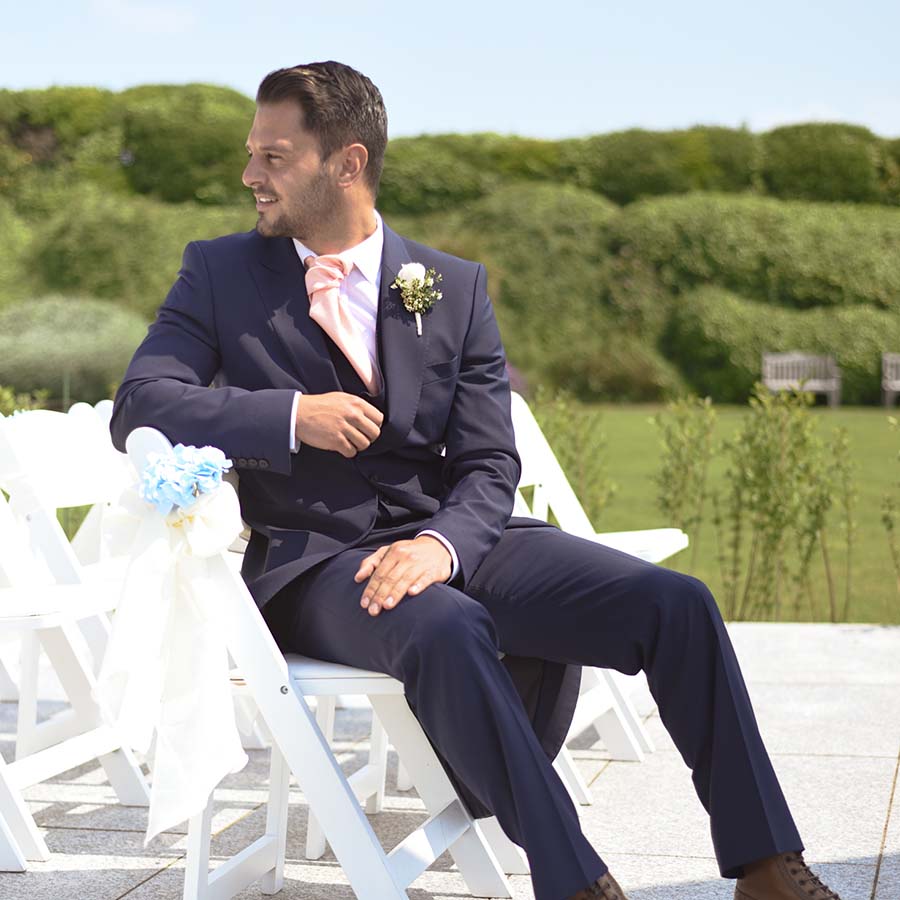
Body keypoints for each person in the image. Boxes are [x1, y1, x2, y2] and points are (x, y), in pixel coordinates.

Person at [110, 61, 842, 900]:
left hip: (454, 535)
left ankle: (764, 866)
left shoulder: (452, 287)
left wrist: (442, 544)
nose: (250, 175)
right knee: (446, 627)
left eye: (273, 157)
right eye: (252, 154)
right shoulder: (218, 271)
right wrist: (288, 415)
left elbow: (492, 461)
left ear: (346, 164)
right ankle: (575, 882)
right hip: (315, 563)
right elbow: (140, 403)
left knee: (678, 605)